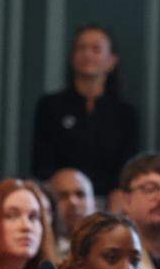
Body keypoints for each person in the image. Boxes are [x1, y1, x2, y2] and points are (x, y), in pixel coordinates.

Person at [32, 24, 140, 197]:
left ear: (111, 61)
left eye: (96, 49)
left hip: (109, 201)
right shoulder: (50, 106)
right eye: (81, 48)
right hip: (62, 198)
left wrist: (118, 194)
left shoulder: (125, 113)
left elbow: (128, 167)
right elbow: (42, 164)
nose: (87, 54)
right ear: (73, 56)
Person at [47, 168, 96, 260]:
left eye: (80, 194)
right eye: (63, 196)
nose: (72, 202)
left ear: (93, 203)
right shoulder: (39, 254)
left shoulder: (109, 247)